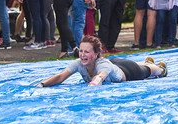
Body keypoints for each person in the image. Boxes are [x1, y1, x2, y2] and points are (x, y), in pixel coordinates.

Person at [37, 35, 167, 87]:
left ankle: (159, 68)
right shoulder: (79, 62)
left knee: (147, 71)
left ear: (96, 54)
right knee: (116, 65)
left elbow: (100, 77)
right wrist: (42, 84)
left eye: (86, 52)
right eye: (81, 51)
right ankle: (147, 62)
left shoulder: (103, 65)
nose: (82, 55)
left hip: (128, 71)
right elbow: (61, 76)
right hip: (114, 63)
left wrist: (92, 86)